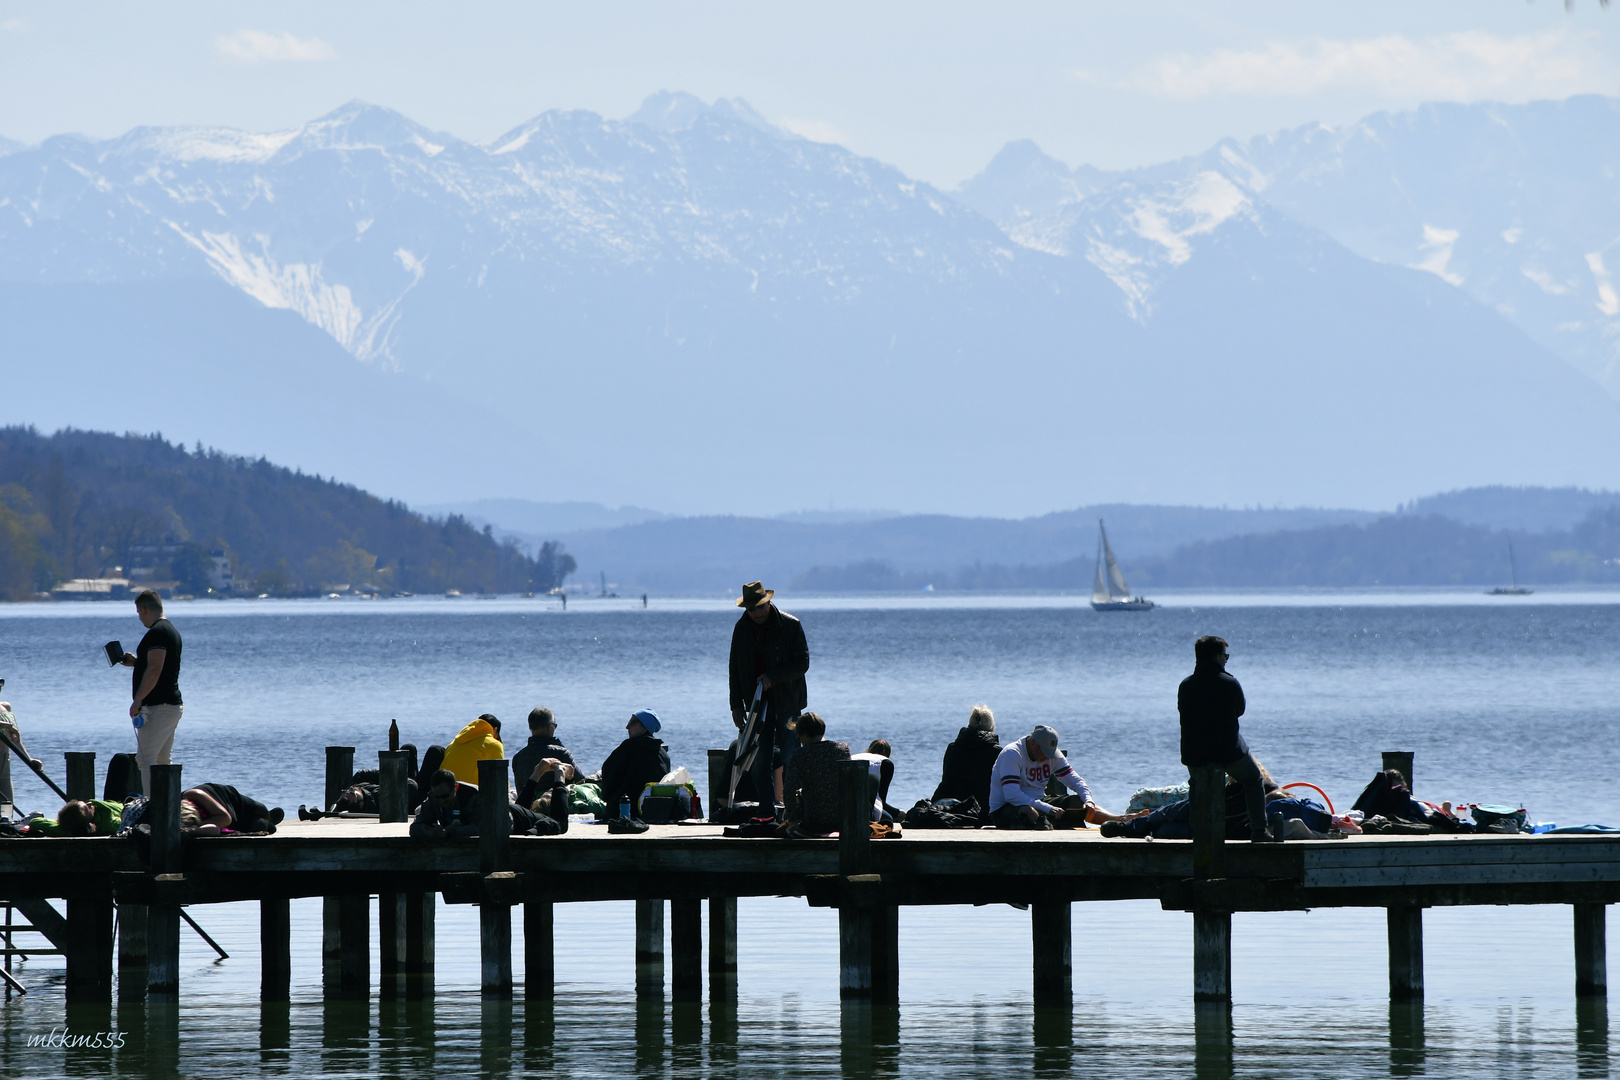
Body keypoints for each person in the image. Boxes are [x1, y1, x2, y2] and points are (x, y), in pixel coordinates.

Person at [1178, 636, 1276, 843]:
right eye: (1225, 656)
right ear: (1216, 656)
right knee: (1253, 779)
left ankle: (1198, 833)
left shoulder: (1185, 685)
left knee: (1197, 785)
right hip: (1228, 752)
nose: (1225, 660)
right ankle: (1259, 830)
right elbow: (1240, 710)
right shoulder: (1229, 682)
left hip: (1195, 753)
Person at [728, 581, 809, 811]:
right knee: (759, 759)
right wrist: (735, 705)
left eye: (760, 606)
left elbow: (802, 664)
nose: (757, 612)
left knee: (791, 757)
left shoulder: (791, 625)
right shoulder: (740, 629)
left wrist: (772, 677)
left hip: (787, 703)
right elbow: (734, 668)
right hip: (755, 705)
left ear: (769, 602)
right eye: (752, 609)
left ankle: (795, 811)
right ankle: (766, 810)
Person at [988, 725, 1123, 830]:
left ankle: (1120, 821)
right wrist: (1047, 808)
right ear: (1033, 744)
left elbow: (1075, 780)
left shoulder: (1052, 754)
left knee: (1078, 803)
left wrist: (1088, 800)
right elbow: (1012, 795)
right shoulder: (1012, 754)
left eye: (1051, 753)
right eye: (1045, 753)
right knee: (1030, 812)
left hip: (1040, 801)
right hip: (1006, 808)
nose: (1048, 757)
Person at [118, 589, 183, 795]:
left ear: (145, 609)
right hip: (170, 705)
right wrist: (137, 663)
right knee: (163, 761)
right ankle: (167, 810)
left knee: (145, 759)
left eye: (138, 612)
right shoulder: (170, 630)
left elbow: (155, 669)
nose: (139, 617)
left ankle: (152, 810)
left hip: (159, 707)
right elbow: (158, 666)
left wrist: (138, 700)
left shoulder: (157, 632)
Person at [410, 768, 564, 839]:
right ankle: (537, 770)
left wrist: (448, 833)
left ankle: (559, 775)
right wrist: (429, 833)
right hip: (501, 813)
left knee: (559, 823)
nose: (441, 801)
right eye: (438, 797)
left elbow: (481, 828)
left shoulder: (476, 797)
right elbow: (414, 828)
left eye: (445, 796)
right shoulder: (433, 798)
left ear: (455, 788)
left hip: (513, 818)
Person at [781, 713, 849, 834]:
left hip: (814, 821)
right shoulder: (842, 749)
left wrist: (793, 821)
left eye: (798, 737)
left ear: (805, 735)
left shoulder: (799, 755)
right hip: (842, 818)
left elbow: (788, 790)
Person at [597, 709, 671, 819]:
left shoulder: (629, 747)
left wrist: (610, 798)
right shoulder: (663, 754)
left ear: (645, 727)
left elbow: (608, 772)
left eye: (632, 723)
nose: (627, 727)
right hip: (653, 812)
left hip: (622, 810)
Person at [931, 705, 1001, 810]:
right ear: (992, 728)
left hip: (952, 805)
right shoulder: (996, 752)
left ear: (969, 725)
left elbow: (946, 781)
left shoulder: (953, 748)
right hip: (984, 807)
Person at [511, 708, 578, 793]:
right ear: (550, 727)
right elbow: (582, 781)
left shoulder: (518, 758)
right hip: (558, 803)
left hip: (530, 805)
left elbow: (520, 791)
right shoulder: (561, 753)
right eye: (555, 726)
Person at [180, 782, 284, 834]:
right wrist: (194, 829)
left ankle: (268, 816)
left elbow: (225, 818)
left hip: (229, 800)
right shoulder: (183, 826)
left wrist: (198, 825)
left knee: (262, 810)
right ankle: (269, 822)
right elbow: (216, 828)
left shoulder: (192, 795)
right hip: (232, 822)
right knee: (264, 827)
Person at [0, 696, 43, 811]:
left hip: (5, 760)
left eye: (1, 682)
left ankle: (6, 828)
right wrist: (5, 725)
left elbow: (16, 739)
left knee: (7, 805)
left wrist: (29, 759)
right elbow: (8, 727)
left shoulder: (6, 707)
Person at [440, 714, 504, 785]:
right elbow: (499, 776)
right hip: (472, 791)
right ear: (495, 730)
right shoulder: (494, 744)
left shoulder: (454, 742)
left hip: (448, 789)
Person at [849, 739, 902, 823]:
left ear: (869, 749)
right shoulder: (886, 764)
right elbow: (882, 802)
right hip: (865, 811)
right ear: (888, 754)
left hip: (842, 808)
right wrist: (898, 813)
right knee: (888, 819)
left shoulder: (852, 757)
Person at [28, 798, 124, 836]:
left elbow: (35, 822)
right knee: (121, 759)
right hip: (125, 805)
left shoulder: (64, 827)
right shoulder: (110, 823)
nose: (90, 803)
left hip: (112, 804)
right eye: (87, 808)